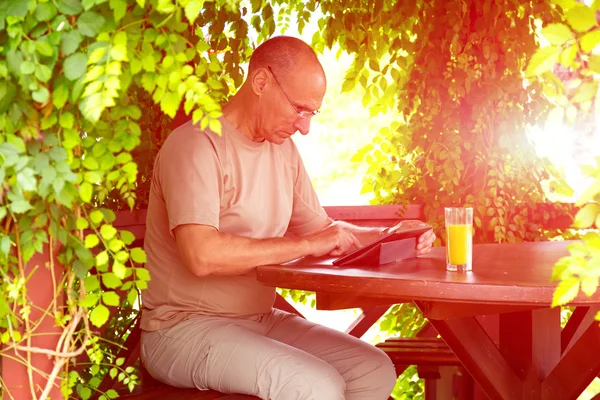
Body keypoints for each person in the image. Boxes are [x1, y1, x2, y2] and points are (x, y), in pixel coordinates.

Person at [140, 35, 436, 400]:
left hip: (258, 320)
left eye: (312, 113)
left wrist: (391, 235)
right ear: (261, 82)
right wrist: (306, 244)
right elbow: (202, 255)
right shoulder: (197, 145)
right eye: (300, 109)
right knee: (313, 386)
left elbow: (326, 232)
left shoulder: (283, 151)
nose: (305, 126)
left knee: (372, 370)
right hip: (182, 329)